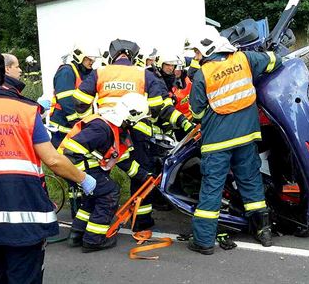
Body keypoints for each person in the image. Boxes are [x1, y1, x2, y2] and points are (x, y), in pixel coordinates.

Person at [0, 44, 97, 283]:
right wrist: (84, 179)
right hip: (25, 220)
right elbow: (53, 159)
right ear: (1, 73)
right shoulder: (25, 110)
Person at [73, 39, 193, 232]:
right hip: (137, 132)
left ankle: (81, 227)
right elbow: (159, 107)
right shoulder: (142, 73)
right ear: (134, 56)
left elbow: (79, 101)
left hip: (105, 132)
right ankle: (140, 221)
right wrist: (183, 123)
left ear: (111, 56)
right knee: (140, 176)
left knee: (99, 178)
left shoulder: (100, 72)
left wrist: (90, 121)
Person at [185, 26, 282, 255]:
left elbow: (197, 113)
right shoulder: (245, 59)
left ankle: (204, 241)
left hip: (216, 143)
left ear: (208, 49)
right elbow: (274, 61)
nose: (196, 57)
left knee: (211, 190)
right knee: (250, 182)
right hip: (247, 136)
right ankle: (264, 232)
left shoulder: (203, 75)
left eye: (197, 52)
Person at [58, 93, 151, 252]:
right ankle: (94, 240)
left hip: (77, 166)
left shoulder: (115, 128)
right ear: (130, 117)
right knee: (109, 193)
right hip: (71, 165)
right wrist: (83, 177)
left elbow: (123, 160)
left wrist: (144, 176)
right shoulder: (101, 127)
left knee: (94, 196)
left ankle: (77, 234)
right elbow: (72, 151)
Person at [50, 44, 98, 218]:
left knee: (78, 169)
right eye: (88, 59)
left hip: (76, 128)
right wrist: (78, 122)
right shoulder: (67, 71)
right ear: (79, 57)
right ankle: (76, 211)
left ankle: (82, 209)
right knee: (69, 169)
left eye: (93, 60)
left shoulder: (86, 73)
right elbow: (67, 100)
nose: (91, 62)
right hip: (64, 130)